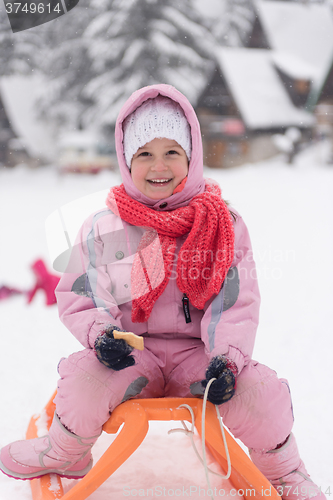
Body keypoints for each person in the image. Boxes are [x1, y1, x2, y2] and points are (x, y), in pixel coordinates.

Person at [0, 84, 325, 499]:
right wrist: (103, 336)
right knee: (83, 379)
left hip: (200, 359)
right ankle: (67, 451)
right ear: (126, 159)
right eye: (145, 154)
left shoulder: (223, 224)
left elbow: (235, 302)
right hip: (131, 356)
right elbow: (85, 293)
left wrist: (227, 360)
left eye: (172, 151)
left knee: (263, 393)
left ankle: (284, 471)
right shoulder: (104, 227)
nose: (160, 165)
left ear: (192, 157)